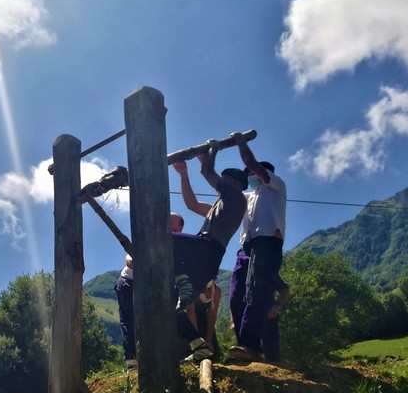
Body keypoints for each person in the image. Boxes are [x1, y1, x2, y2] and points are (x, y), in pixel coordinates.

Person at [172, 139, 247, 362]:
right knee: (174, 302)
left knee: (165, 239)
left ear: (232, 182)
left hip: (207, 248)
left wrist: (212, 149)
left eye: (223, 179)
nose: (219, 182)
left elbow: (207, 171)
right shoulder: (222, 206)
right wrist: (183, 174)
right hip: (207, 258)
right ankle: (198, 346)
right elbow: (192, 204)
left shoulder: (235, 198)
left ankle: (184, 282)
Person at [228, 131, 288, 362]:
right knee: (237, 294)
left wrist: (240, 142)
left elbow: (250, 162)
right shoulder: (248, 197)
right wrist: (207, 163)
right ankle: (247, 345)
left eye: (252, 173)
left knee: (258, 290)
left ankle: (250, 345)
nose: (249, 174)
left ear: (266, 173)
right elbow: (219, 189)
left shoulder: (276, 186)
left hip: (268, 242)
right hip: (247, 246)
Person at [115, 212, 184, 371]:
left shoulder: (178, 245)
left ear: (179, 228)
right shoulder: (152, 237)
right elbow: (129, 259)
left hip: (153, 286)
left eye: (171, 223)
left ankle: (160, 358)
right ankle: (132, 362)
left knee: (161, 318)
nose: (166, 225)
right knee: (130, 319)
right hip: (129, 282)